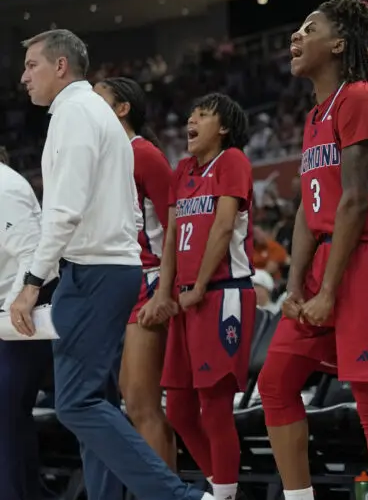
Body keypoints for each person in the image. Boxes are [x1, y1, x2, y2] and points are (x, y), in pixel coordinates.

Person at [11, 28, 211, 500]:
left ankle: (181, 497)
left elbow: (64, 210)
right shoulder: (87, 114)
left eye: (31, 66)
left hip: (97, 270)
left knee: (78, 403)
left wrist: (32, 282)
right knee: (94, 402)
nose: (23, 77)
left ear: (61, 66)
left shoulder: (77, 114)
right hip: (104, 269)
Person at [256, 0, 368, 500]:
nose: (296, 37)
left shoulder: (359, 98)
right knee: (276, 382)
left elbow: (352, 201)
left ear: (339, 43)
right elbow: (310, 209)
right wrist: (294, 283)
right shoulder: (315, 115)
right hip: (329, 256)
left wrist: (327, 290)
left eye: (310, 28)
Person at [139, 92, 256, 500]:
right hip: (186, 300)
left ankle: (222, 494)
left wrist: (201, 285)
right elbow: (171, 237)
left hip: (223, 294)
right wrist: (165, 293)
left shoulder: (234, 161)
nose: (191, 119)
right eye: (191, 113)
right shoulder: (183, 169)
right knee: (180, 411)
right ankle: (225, 489)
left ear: (222, 127)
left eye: (202, 115)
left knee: (215, 406)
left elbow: (223, 227)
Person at [94, 76, 178, 470]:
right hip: (117, 286)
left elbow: (175, 225)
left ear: (122, 108)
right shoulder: (103, 159)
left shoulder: (143, 154)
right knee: (129, 402)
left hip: (149, 280)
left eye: (99, 101)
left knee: (142, 403)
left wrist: (167, 292)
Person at [0, 145, 55, 500]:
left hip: (17, 317)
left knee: (4, 412)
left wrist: (11, 309)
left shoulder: (4, 187)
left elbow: (34, 254)